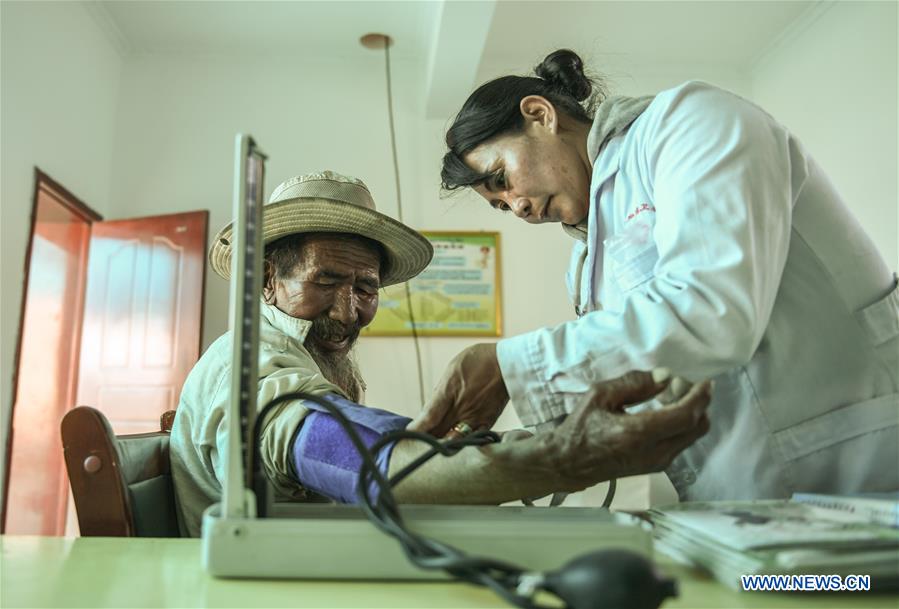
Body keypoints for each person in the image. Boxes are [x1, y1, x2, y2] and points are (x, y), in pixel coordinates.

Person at [415, 49, 899, 502]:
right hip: (741, 508)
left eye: (502, 178)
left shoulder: (692, 121)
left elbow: (712, 310)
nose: (517, 206)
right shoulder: (584, 264)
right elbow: (634, 380)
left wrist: (508, 366)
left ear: (540, 115)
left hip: (856, 479)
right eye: (500, 206)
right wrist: (504, 450)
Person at [170, 170, 712, 537]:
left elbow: (374, 444)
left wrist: (541, 441)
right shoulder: (250, 366)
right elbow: (351, 456)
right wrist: (564, 457)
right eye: (326, 281)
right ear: (268, 279)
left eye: (365, 288)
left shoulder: (291, 354)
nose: (347, 310)